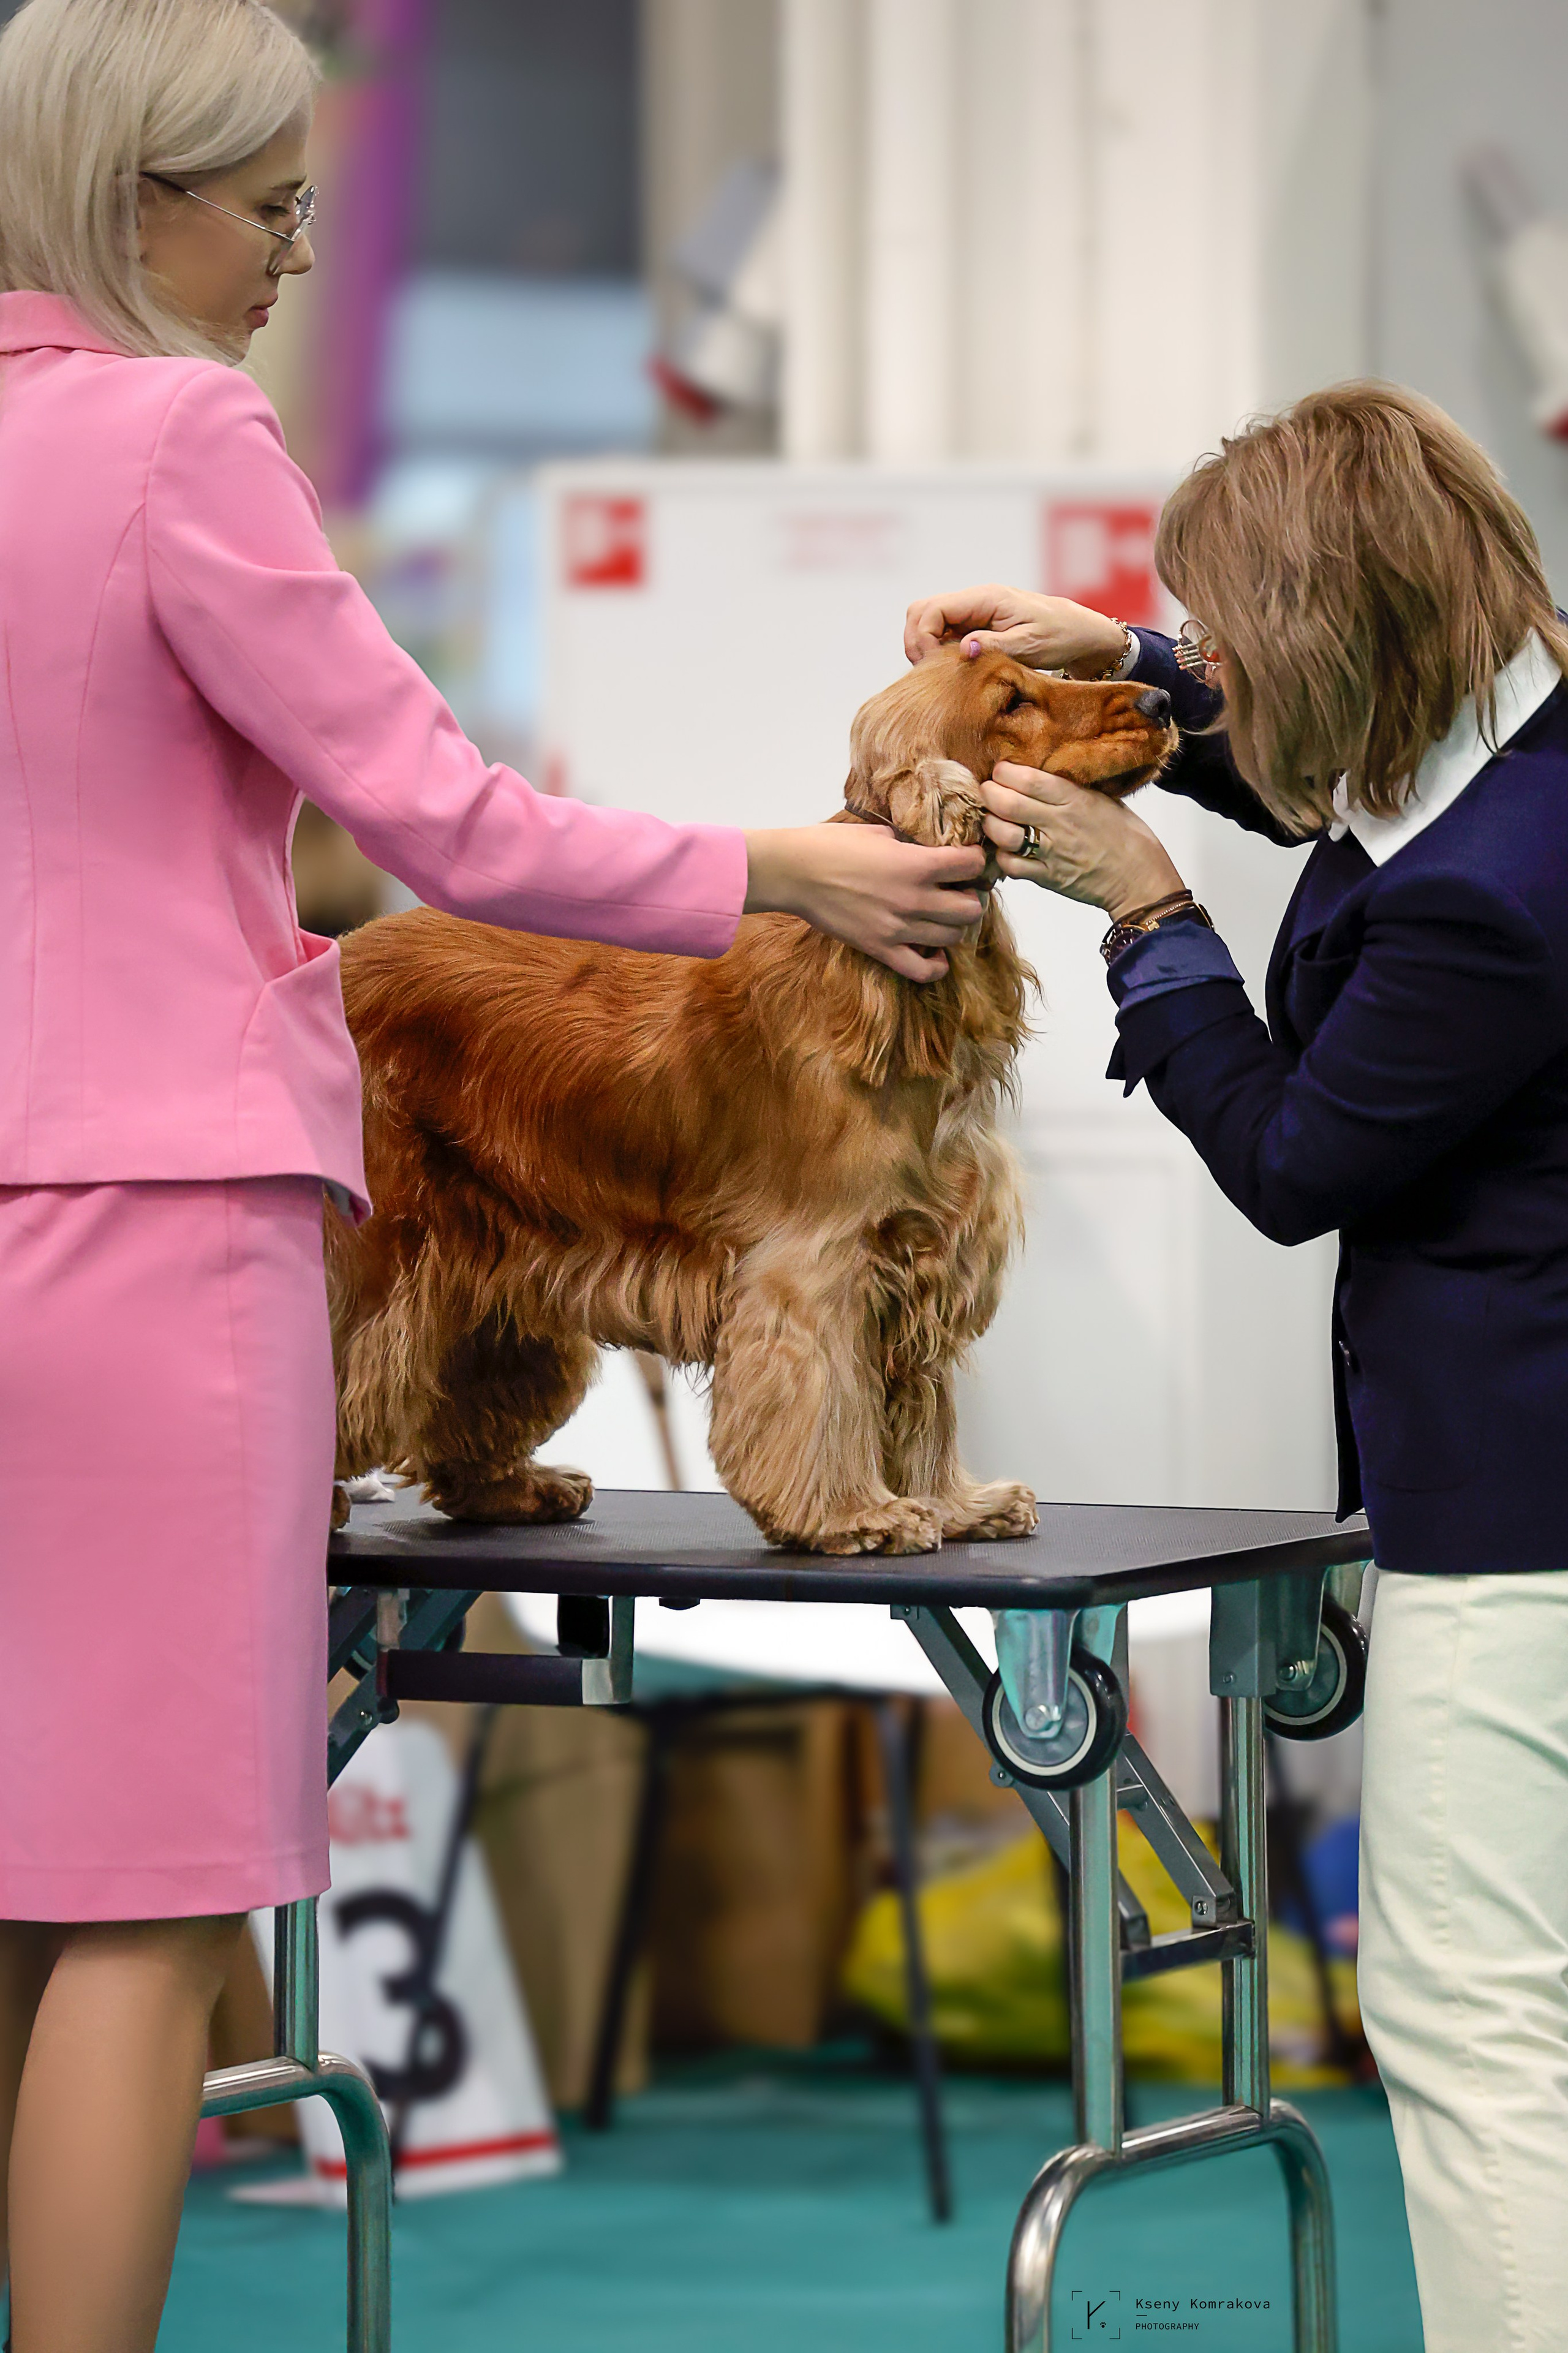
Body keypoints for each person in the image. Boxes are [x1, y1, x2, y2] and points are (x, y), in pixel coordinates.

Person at [0, 3, 989, 2346]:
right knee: (150, 1907)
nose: (297, 252)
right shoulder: (179, 434)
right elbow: (444, 819)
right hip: (157, 1222)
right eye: (271, 206)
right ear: (140, 199)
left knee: (28, 1881)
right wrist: (786, 867)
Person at [907, 380, 1568, 2353]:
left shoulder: (1488, 898)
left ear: (1333, 630)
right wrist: (1129, 663)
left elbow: (1294, 1160)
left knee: (1471, 2018)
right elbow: (1319, 772)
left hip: (1523, 1522)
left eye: (1223, 636)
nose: (1206, 670)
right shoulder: (1508, 739)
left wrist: (1145, 908)